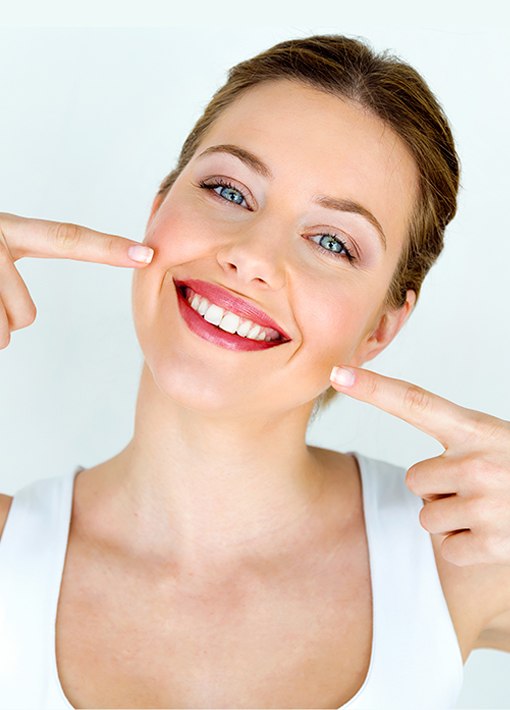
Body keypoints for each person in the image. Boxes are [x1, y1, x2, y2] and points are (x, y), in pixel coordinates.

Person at [0, 33, 509, 710]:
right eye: (229, 190)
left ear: (380, 328)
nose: (253, 256)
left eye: (332, 241)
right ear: (158, 211)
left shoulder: (461, 561)